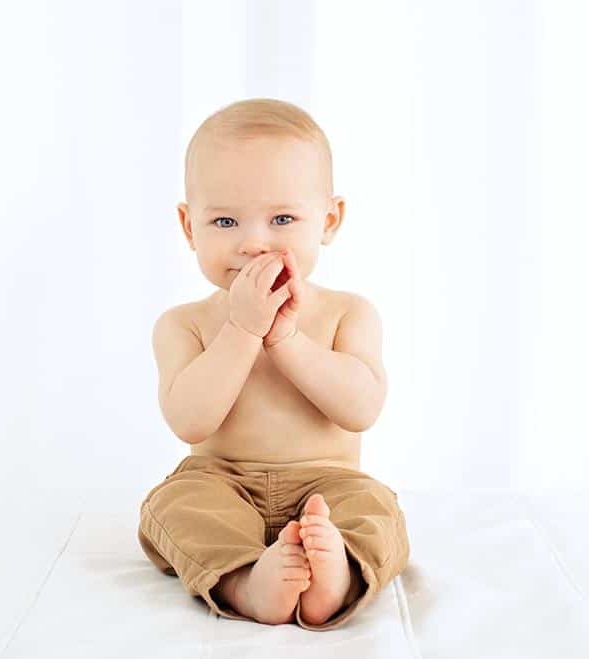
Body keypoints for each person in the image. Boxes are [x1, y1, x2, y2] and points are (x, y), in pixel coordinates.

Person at [137, 98, 410, 630]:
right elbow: (190, 421)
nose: (253, 241)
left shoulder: (348, 313)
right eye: (224, 220)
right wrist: (242, 331)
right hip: (221, 482)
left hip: (328, 486)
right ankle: (244, 581)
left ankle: (338, 576)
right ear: (189, 227)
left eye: (282, 218)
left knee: (376, 510)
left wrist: (287, 339)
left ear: (329, 221)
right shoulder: (184, 324)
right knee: (174, 506)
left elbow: (361, 408)